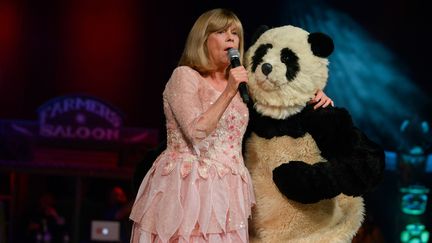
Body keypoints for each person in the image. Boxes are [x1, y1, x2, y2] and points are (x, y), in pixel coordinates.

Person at [129, 8, 333, 243]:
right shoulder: (185, 76)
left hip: (228, 186)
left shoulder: (242, 83)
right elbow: (196, 132)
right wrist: (228, 91)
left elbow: (281, 97)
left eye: (235, 33)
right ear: (203, 39)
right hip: (188, 186)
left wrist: (314, 92)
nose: (230, 38)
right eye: (221, 31)